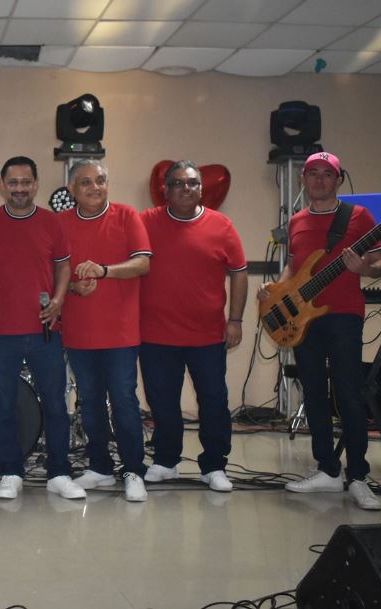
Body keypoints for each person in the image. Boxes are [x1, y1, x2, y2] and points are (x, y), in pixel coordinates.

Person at [258, 151, 381, 511]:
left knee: (348, 394)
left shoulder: (359, 217)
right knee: (313, 393)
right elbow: (293, 267)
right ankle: (327, 470)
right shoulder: (296, 221)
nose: (318, 179)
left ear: (338, 180)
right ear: (303, 180)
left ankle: (358, 476)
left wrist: (364, 268)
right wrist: (275, 290)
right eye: (312, 173)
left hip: (344, 316)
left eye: (326, 174)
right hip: (304, 320)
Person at [0, 156, 85, 501]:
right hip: (3, 333)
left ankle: (59, 473)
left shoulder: (51, 222)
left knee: (55, 405)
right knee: (3, 405)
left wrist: (58, 300)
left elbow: (64, 267)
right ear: (2, 185)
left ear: (36, 184)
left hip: (45, 330)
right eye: (13, 182)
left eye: (26, 182)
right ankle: (11, 472)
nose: (20, 188)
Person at [139, 160, 248, 493]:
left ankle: (214, 466)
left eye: (192, 183)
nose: (185, 189)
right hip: (156, 334)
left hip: (207, 335)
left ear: (201, 189)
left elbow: (239, 273)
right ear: (165, 190)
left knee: (213, 401)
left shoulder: (222, 225)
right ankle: (166, 461)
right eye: (177, 183)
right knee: (162, 402)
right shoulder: (145, 222)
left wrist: (235, 320)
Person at [59, 160, 151, 502]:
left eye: (100, 180)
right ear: (71, 190)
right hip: (79, 332)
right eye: (85, 182)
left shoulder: (127, 216)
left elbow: (143, 263)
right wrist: (72, 287)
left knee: (124, 400)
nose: (94, 187)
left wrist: (103, 270)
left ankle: (133, 470)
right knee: (90, 402)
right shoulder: (60, 223)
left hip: (120, 333)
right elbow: (51, 272)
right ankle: (99, 467)